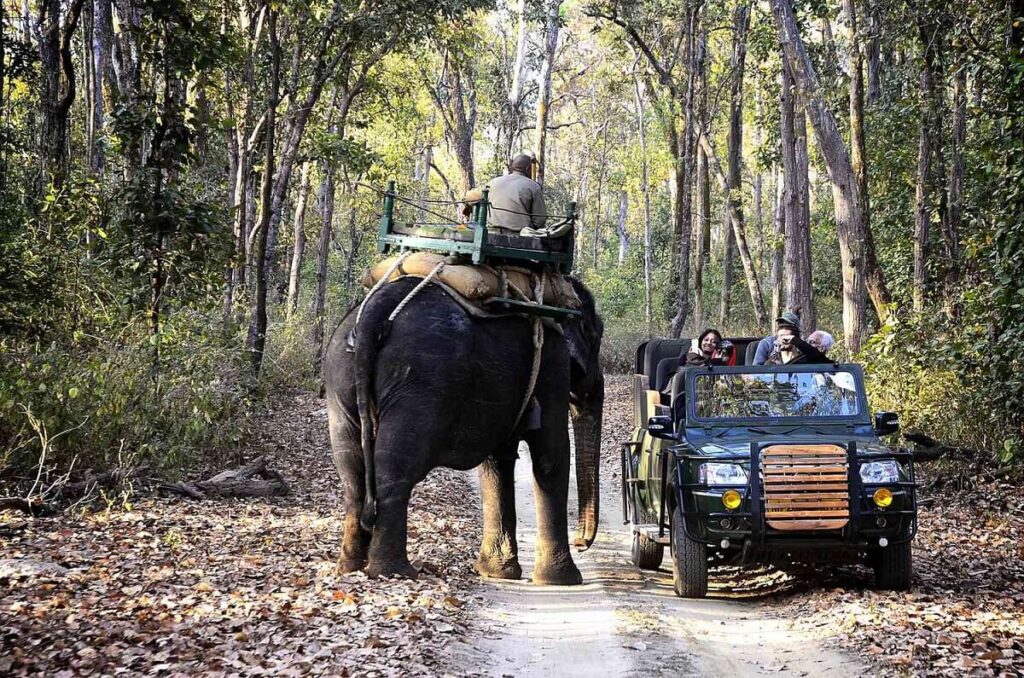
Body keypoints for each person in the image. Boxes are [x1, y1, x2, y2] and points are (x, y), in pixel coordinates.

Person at [474, 154, 547, 234]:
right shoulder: (533, 186)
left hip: (491, 234)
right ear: (528, 169)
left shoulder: (493, 182)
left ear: (512, 167)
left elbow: (470, 197)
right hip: (519, 237)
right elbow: (540, 220)